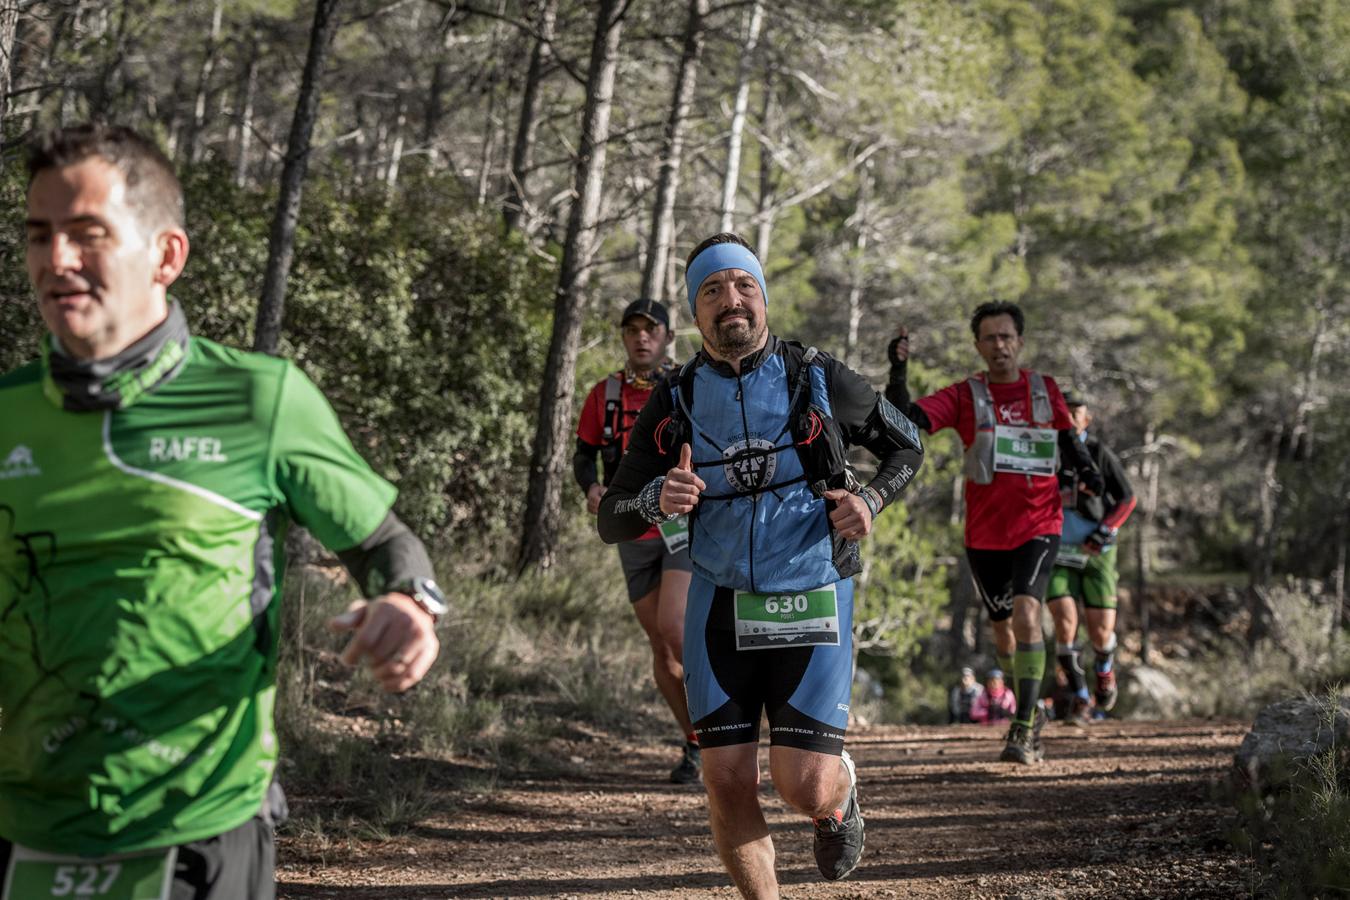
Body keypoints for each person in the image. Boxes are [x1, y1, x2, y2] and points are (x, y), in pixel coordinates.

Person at [0, 124, 445, 897]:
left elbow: (382, 540)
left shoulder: (259, 399)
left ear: (166, 256)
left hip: (203, 824)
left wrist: (410, 604)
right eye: (39, 236)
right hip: (24, 828)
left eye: (87, 234)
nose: (56, 261)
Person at [598, 233, 924, 895]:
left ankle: (837, 798)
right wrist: (657, 498)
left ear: (763, 296)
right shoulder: (676, 399)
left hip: (812, 587)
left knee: (799, 784)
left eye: (743, 285)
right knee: (724, 779)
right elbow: (613, 516)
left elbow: (907, 443)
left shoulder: (816, 375)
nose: (731, 301)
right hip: (719, 600)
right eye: (712, 291)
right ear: (695, 312)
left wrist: (870, 499)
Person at [885, 304, 1102, 764]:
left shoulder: (1044, 390)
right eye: (990, 338)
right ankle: (1028, 708)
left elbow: (1068, 441)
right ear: (978, 346)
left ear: (1019, 342)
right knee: (1002, 633)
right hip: (985, 534)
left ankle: (1023, 724)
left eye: (1007, 337)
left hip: (1039, 524)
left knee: (1028, 617)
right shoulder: (968, 395)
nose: (1000, 345)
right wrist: (898, 369)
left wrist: (1089, 474)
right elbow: (907, 417)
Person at [574, 298, 699, 784]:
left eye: (651, 330)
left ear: (668, 336)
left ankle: (731, 724)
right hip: (631, 529)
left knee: (675, 627)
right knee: (662, 650)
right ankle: (696, 743)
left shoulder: (685, 387)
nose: (641, 338)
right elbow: (584, 454)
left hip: (681, 527)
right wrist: (591, 487)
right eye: (632, 330)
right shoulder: (603, 394)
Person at [1046, 390, 1136, 716]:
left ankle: (1104, 675)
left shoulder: (1098, 452)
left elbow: (1127, 498)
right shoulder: (1048, 451)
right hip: (1058, 551)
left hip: (1096, 551)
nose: (1069, 418)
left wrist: (1103, 531)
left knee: (1100, 630)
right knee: (1064, 622)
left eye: (1076, 412)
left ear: (1087, 418)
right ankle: (1080, 695)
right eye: (1064, 412)